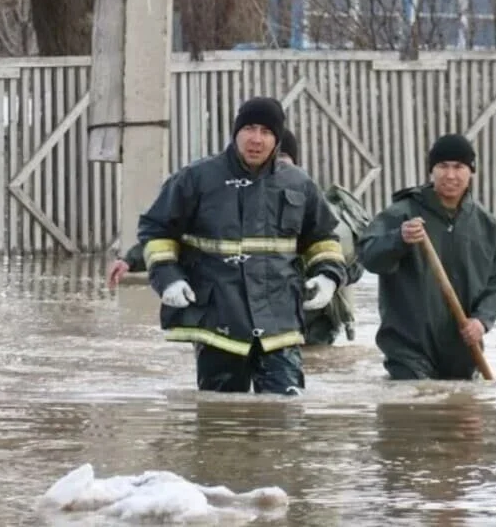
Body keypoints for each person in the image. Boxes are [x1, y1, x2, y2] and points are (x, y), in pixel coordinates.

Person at [137, 97, 348, 394]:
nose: (256, 139)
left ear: (276, 139)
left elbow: (323, 238)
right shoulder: (195, 179)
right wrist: (168, 279)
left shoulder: (299, 184)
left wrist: (328, 276)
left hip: (279, 320)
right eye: (249, 128)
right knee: (221, 419)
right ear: (236, 132)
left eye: (266, 131)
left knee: (285, 416)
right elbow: (156, 229)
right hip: (219, 320)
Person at [355, 133, 496, 381]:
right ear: (432, 171)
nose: (450, 175)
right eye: (442, 166)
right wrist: (399, 239)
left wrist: (482, 321)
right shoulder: (402, 213)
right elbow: (368, 256)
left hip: (464, 352)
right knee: (415, 409)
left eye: (458, 167)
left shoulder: (485, 224)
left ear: (471, 172)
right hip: (408, 350)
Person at [274, 129, 366, 346]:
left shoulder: (318, 208)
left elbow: (355, 266)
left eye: (284, 161)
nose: (278, 169)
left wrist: (329, 277)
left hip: (316, 318)